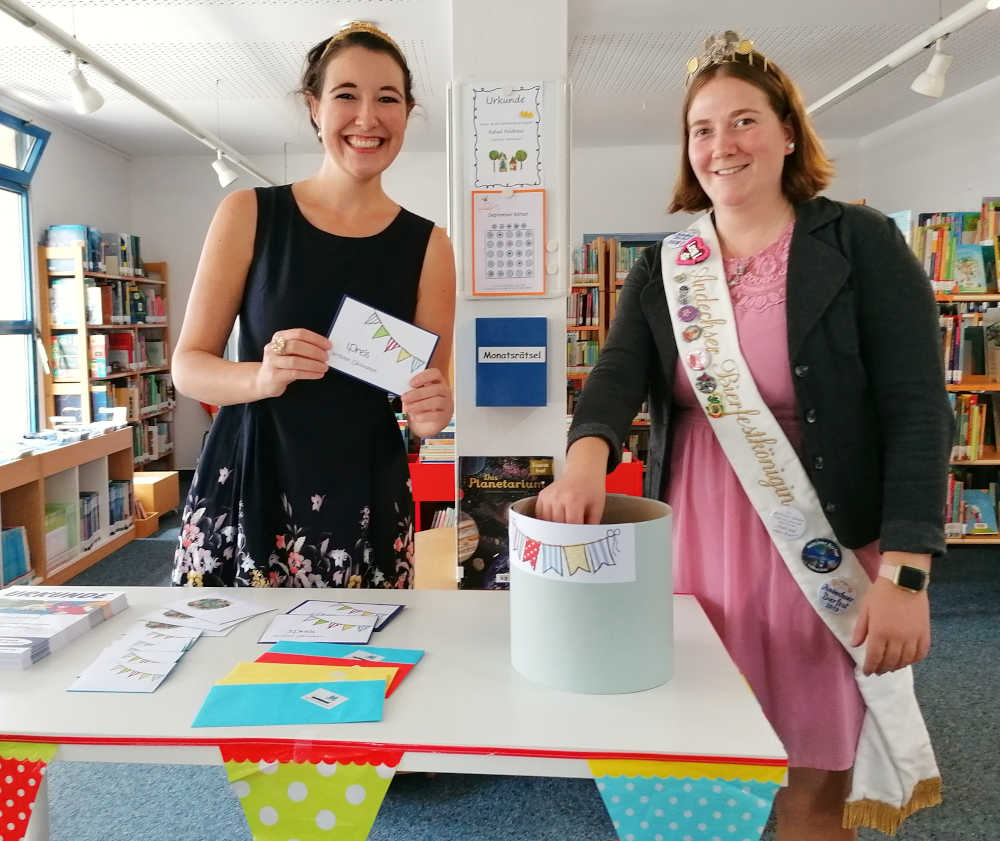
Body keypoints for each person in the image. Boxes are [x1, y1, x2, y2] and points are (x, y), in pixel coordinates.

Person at [536, 32, 950, 841]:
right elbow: (617, 377)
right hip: (698, 543)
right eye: (702, 129)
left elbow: (916, 407)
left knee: (808, 771)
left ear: (788, 130)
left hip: (822, 544)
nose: (722, 146)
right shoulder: (666, 265)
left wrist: (907, 571)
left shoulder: (859, 245)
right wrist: (584, 465)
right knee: (697, 759)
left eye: (744, 121)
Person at [170, 22, 455, 589]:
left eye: (388, 99)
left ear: (408, 112)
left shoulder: (430, 245)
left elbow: (429, 404)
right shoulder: (249, 213)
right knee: (229, 659)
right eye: (346, 95)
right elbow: (188, 365)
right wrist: (262, 375)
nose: (367, 118)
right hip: (250, 478)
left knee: (361, 666)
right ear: (314, 108)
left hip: (365, 490)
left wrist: (433, 411)